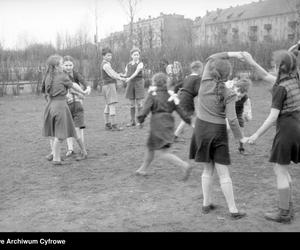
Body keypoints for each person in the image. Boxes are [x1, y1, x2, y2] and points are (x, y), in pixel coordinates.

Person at [242, 50, 300, 223]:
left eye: (275, 63)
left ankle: (284, 213)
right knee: (281, 169)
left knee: (280, 170)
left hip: (287, 129)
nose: (272, 65)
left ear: (280, 66)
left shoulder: (280, 88)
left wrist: (255, 135)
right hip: (297, 126)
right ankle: (287, 208)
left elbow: (273, 117)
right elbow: (267, 75)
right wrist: (252, 62)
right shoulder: (294, 79)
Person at [189, 52, 248, 219]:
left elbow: (210, 57)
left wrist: (233, 54)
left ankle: (206, 205)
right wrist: (241, 137)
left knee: (207, 169)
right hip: (218, 131)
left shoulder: (204, 80)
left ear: (211, 69)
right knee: (223, 173)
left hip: (201, 129)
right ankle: (233, 210)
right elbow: (232, 119)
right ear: (227, 75)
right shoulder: (229, 93)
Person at [135, 73, 193, 180]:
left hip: (158, 124)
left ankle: (184, 166)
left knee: (163, 152)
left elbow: (145, 109)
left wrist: (140, 120)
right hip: (168, 123)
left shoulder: (152, 94)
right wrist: (188, 120)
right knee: (150, 147)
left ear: (154, 82)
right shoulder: (171, 95)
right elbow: (180, 110)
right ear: (166, 83)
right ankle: (143, 169)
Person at [42, 55, 90, 165]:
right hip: (60, 106)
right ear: (57, 66)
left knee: (69, 131)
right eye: (62, 63)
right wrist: (83, 92)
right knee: (60, 135)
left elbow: (44, 92)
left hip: (51, 106)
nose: (64, 65)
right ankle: (56, 159)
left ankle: (83, 152)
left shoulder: (48, 76)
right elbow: (73, 85)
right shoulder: (62, 76)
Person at [63, 56, 91, 158]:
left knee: (79, 126)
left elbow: (83, 80)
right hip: (66, 103)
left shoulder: (75, 74)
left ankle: (81, 147)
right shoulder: (61, 75)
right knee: (68, 126)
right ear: (62, 65)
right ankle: (70, 148)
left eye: (70, 65)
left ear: (73, 65)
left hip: (78, 102)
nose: (68, 67)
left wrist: (88, 87)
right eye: (66, 65)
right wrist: (78, 92)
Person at [174, 61, 203, 141]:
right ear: (199, 69)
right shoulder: (198, 79)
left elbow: (177, 86)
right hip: (187, 99)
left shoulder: (188, 77)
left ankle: (197, 129)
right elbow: (197, 90)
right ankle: (175, 135)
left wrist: (175, 94)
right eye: (202, 68)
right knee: (187, 118)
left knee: (194, 114)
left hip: (183, 98)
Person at [225, 77, 252, 154]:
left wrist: (247, 116)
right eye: (239, 91)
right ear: (236, 88)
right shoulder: (230, 92)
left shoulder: (246, 99)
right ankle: (224, 148)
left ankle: (241, 148)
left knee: (241, 131)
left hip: (238, 114)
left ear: (246, 92)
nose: (239, 94)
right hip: (227, 114)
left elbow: (248, 109)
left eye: (242, 93)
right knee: (227, 129)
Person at [100, 47, 125, 131]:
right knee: (112, 105)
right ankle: (114, 125)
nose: (109, 57)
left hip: (105, 86)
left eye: (110, 55)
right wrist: (120, 78)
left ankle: (107, 125)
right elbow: (111, 75)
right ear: (103, 56)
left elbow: (112, 72)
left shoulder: (106, 64)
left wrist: (119, 74)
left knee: (107, 105)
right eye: (107, 55)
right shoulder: (106, 65)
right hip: (109, 86)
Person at [123, 47, 145, 127]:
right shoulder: (128, 64)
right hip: (130, 84)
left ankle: (140, 121)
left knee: (139, 103)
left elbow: (136, 73)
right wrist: (120, 76)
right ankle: (132, 121)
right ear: (131, 56)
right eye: (134, 55)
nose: (136, 56)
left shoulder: (140, 64)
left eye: (137, 54)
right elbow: (126, 74)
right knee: (132, 104)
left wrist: (128, 78)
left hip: (138, 83)